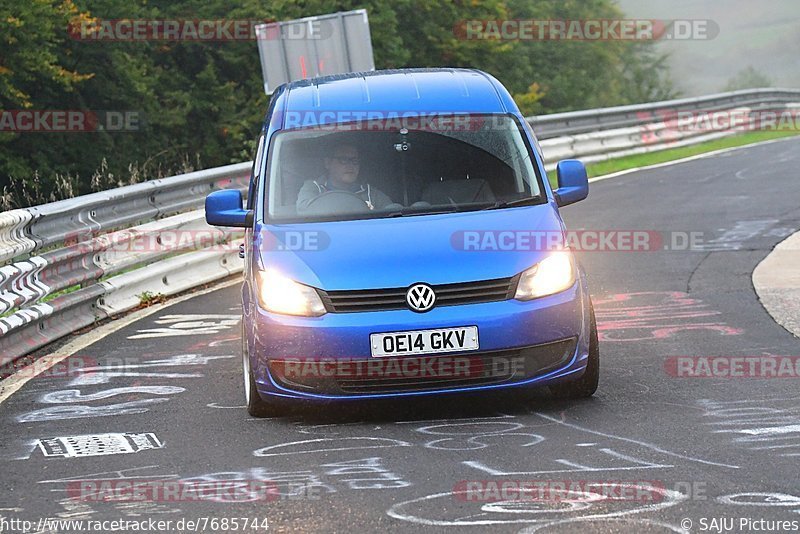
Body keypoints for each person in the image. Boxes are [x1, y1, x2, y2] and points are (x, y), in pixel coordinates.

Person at [296, 143, 393, 213]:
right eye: (343, 160)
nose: (351, 165)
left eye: (354, 160)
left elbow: (393, 211)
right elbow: (303, 212)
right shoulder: (313, 188)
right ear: (328, 163)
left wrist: (374, 212)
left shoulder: (370, 193)